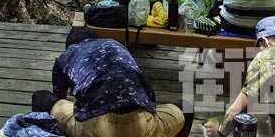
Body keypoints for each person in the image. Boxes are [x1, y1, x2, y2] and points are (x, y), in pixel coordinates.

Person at [31, 27, 193, 137]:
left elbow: (59, 96)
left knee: (40, 98)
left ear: (69, 46)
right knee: (186, 108)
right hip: (143, 126)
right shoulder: (116, 45)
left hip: (96, 129)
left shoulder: (66, 56)